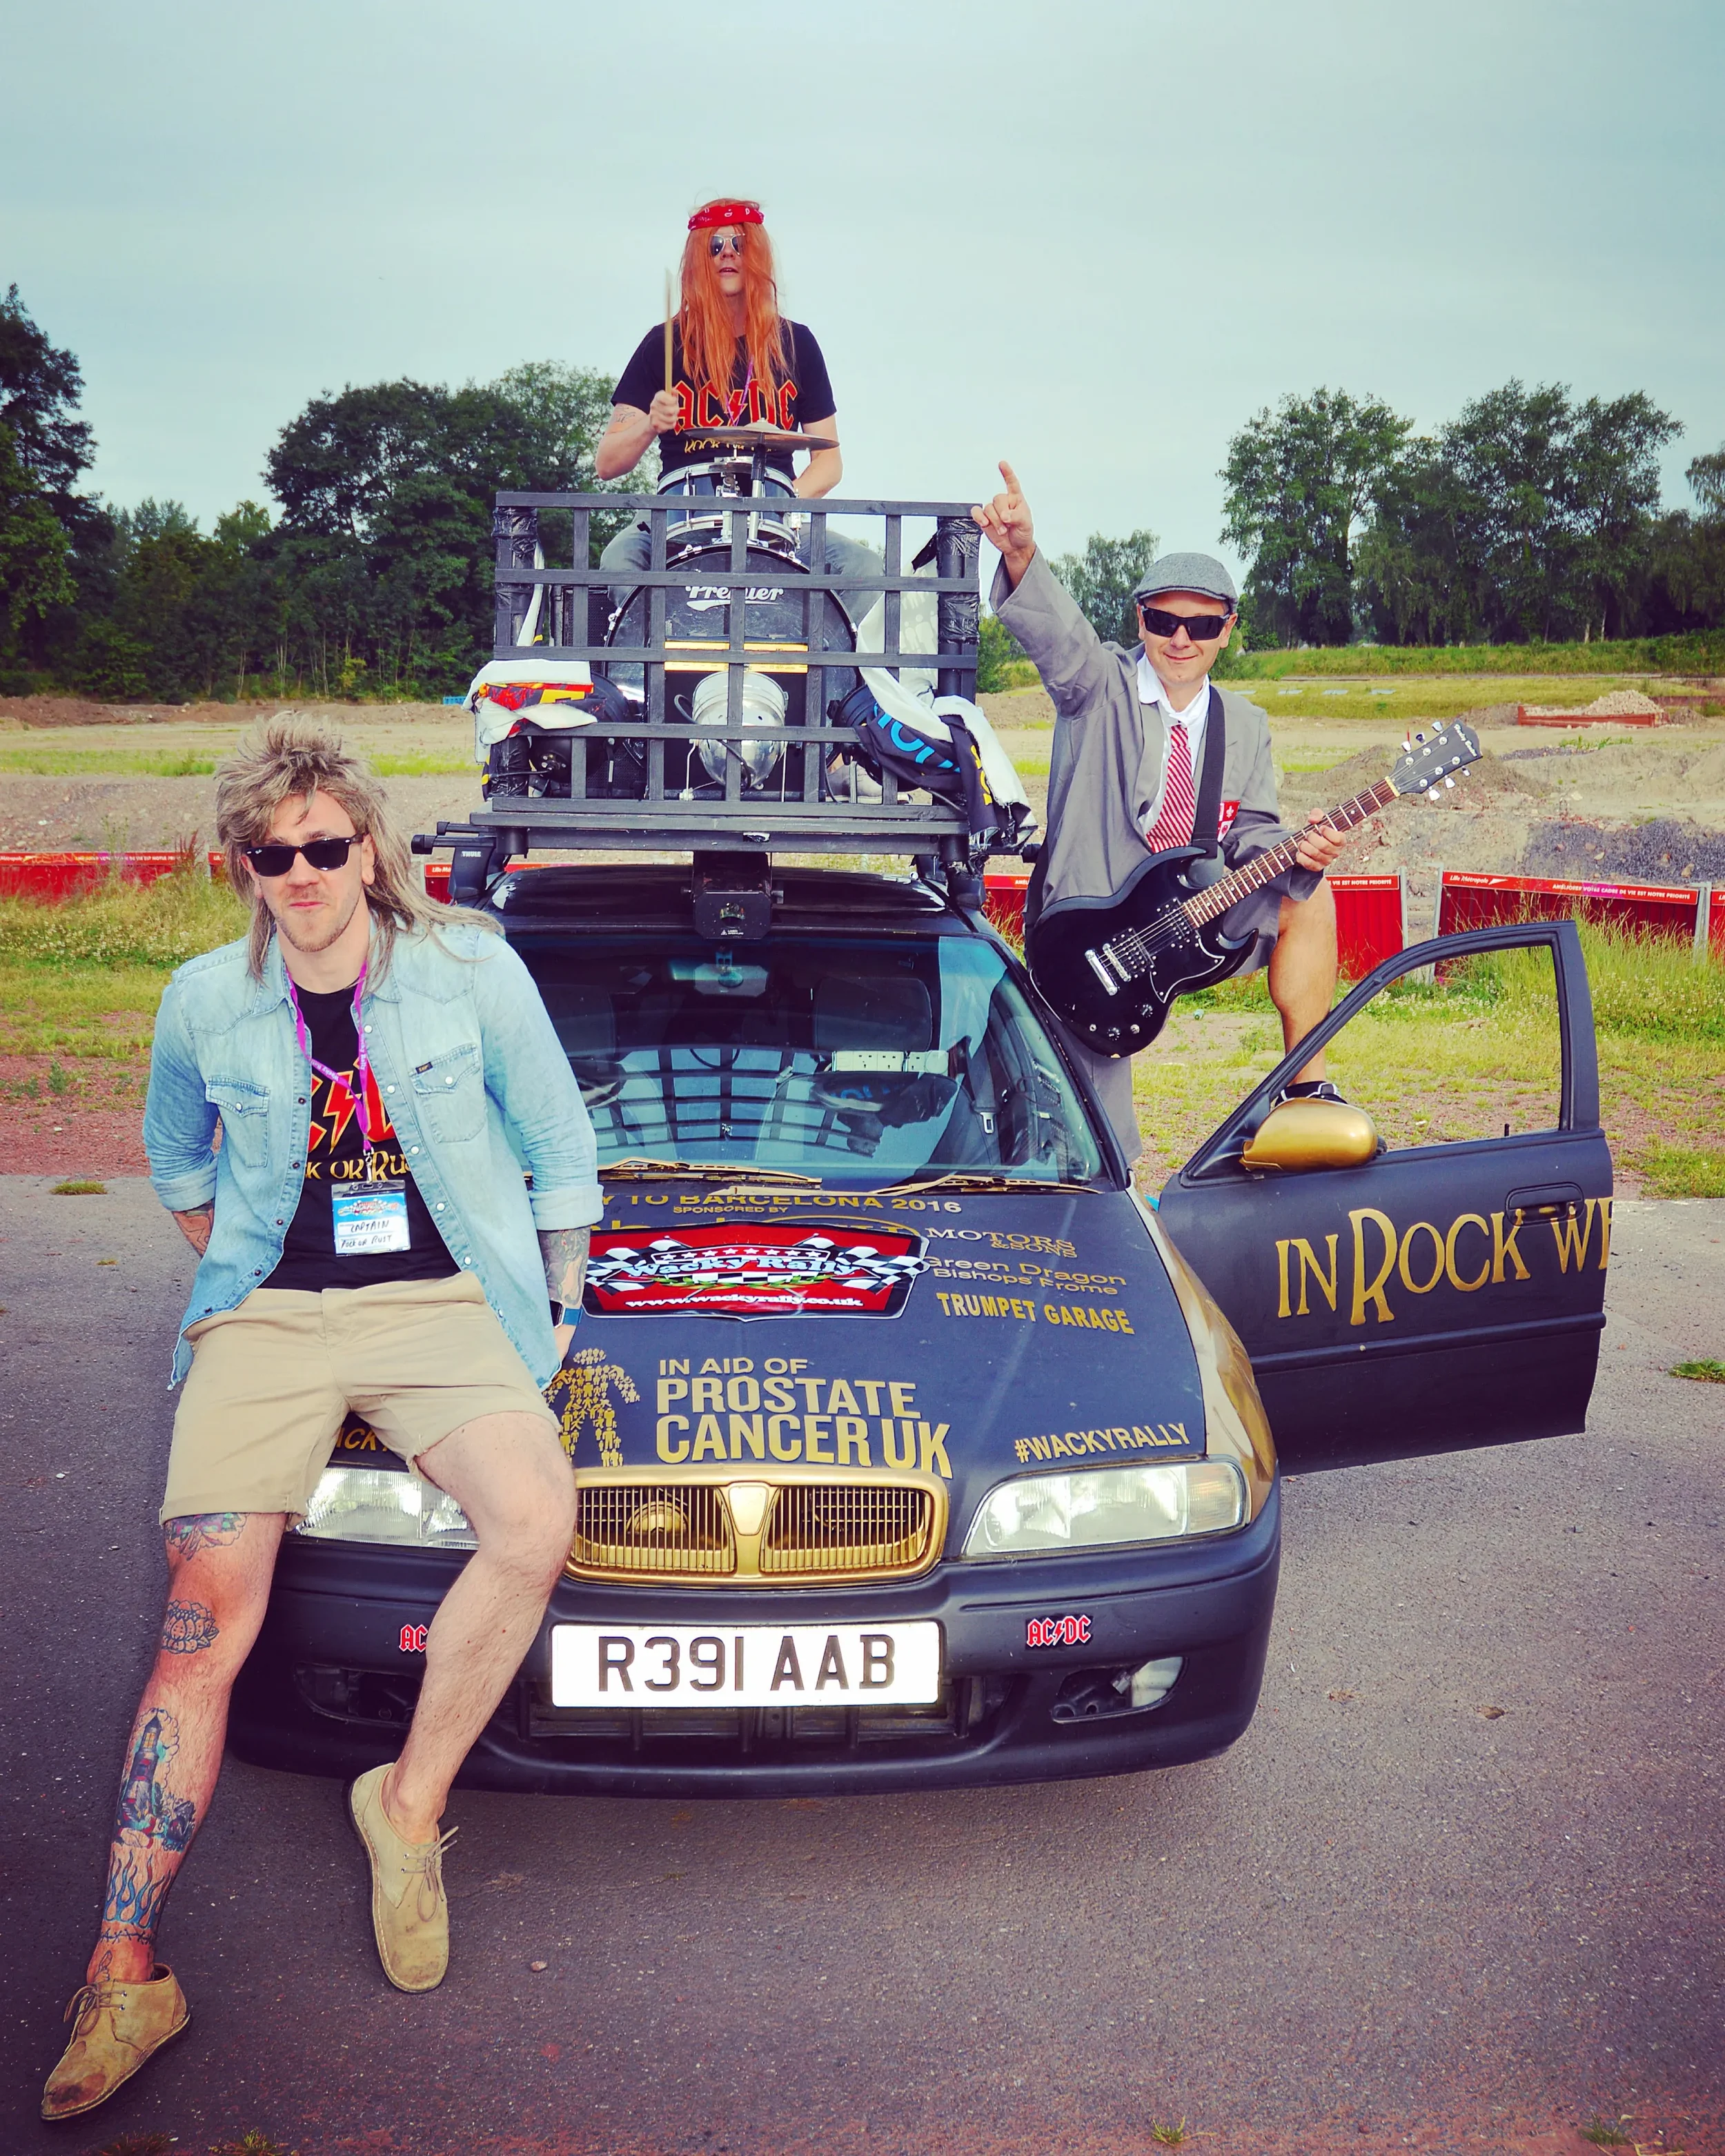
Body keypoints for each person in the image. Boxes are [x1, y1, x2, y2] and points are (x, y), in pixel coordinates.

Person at [43, 715, 601, 2122]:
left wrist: (556, 1303)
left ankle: (404, 1806)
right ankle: (123, 1970)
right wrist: (245, 1276)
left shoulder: (470, 968)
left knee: (536, 1519)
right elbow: (177, 1160)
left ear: (369, 845)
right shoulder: (201, 1001)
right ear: (241, 863)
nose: (298, 872)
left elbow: (557, 1146)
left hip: (441, 1302)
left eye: (322, 846)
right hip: (271, 1312)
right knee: (202, 1611)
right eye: (269, 852)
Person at [972, 462, 1345, 1164]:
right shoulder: (1097, 686)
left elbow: (1252, 832)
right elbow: (1060, 636)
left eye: (1201, 624)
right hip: (1094, 929)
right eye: (1164, 621)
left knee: (1308, 895)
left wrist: (1299, 848)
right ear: (1140, 620)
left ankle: (1307, 1090)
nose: (1181, 639)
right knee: (1095, 1141)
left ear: (1227, 630)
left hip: (1194, 913)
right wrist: (1021, 553)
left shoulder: (1246, 723)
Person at [595, 195, 876, 615]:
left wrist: (780, 504)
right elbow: (607, 463)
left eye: (739, 244)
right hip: (679, 516)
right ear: (698, 260)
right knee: (619, 561)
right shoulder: (663, 344)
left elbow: (829, 461)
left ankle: (814, 659)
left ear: (757, 257)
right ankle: (655, 656)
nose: (727, 254)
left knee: (863, 568)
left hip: (774, 520)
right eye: (715, 246)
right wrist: (649, 424)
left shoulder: (796, 343)